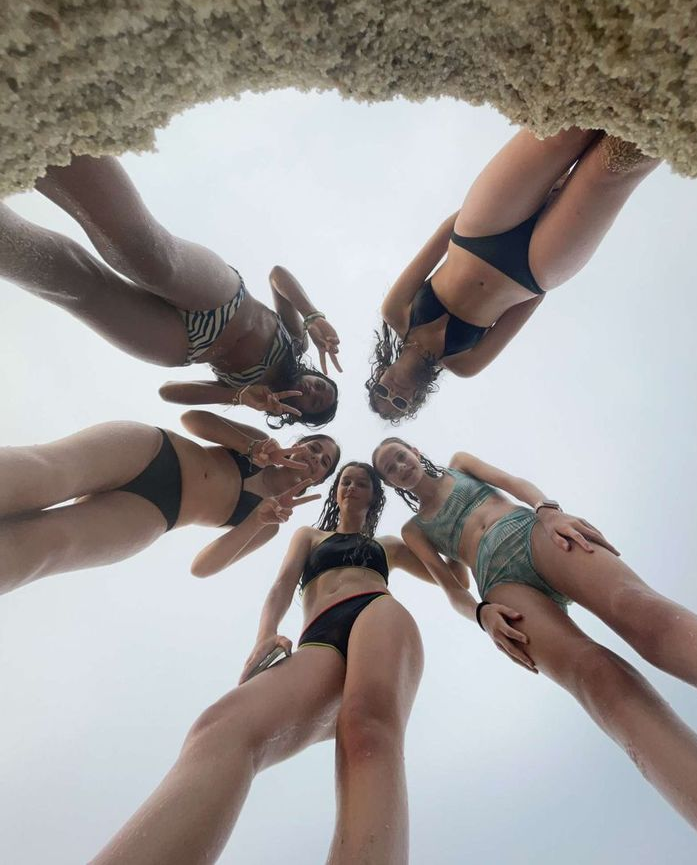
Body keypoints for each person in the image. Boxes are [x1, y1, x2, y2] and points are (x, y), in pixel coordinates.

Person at [372, 437, 697, 860]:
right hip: (500, 584)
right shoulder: (414, 530)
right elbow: (454, 589)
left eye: (400, 456)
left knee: (643, 613)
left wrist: (548, 511)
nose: (399, 466)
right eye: (389, 468)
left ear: (415, 452)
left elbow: (514, 483)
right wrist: (482, 614)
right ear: (390, 482)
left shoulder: (461, 463)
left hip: (533, 532)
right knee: (596, 678)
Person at [90, 461, 441, 865]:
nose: (351, 487)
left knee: (368, 732)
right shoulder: (309, 536)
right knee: (222, 725)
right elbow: (281, 586)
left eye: (362, 483)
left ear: (375, 496)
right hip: (319, 636)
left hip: (378, 613)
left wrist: (435, 509)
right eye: (345, 481)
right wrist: (265, 635)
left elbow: (454, 575)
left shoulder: (390, 545)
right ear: (335, 491)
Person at [0, 154, 340, 426]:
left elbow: (170, 392)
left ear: (298, 414)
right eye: (320, 387)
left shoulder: (255, 397)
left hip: (187, 344)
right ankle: (53, 133)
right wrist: (311, 315)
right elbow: (277, 276)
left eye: (314, 403)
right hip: (226, 299)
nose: (312, 392)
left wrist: (236, 396)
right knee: (150, 258)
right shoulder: (297, 342)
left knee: (77, 286)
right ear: (315, 374)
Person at [367, 128, 659, 421]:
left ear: (378, 375)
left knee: (561, 133)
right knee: (614, 166)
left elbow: (443, 235)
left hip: (478, 233)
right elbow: (530, 303)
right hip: (534, 271)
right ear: (416, 400)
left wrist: (522, 200)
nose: (394, 392)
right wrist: (539, 273)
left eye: (382, 391)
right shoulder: (464, 364)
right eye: (400, 403)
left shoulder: (395, 311)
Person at [0, 412, 339, 594]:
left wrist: (257, 519)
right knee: (48, 474)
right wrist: (250, 447)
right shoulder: (261, 443)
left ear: (320, 480)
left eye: (324, 462)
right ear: (300, 443)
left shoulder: (269, 525)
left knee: (49, 547)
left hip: (153, 514)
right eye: (314, 447)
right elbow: (193, 420)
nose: (315, 457)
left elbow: (203, 567)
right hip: (150, 451)